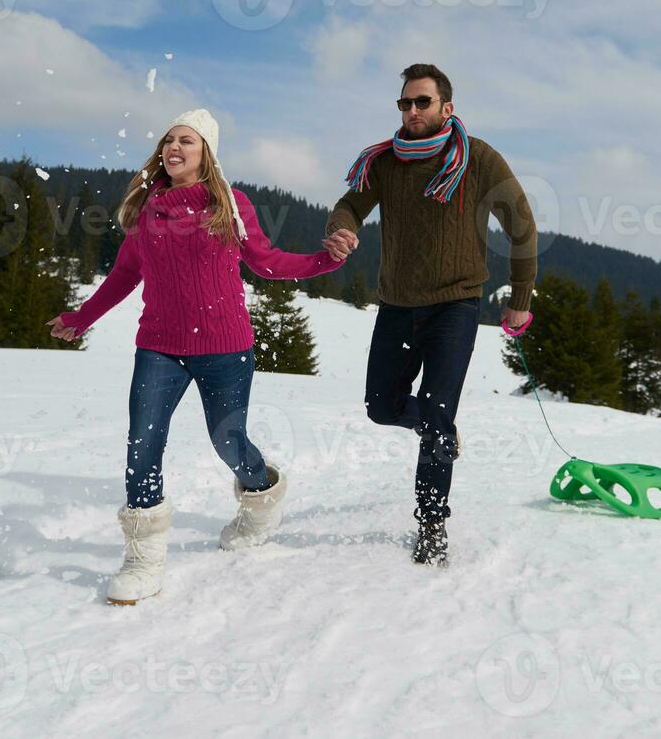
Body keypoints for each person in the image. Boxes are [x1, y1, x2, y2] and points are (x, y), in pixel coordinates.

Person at [48, 109, 345, 604]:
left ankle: (261, 491)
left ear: (207, 153)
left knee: (228, 440)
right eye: (169, 139)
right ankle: (143, 558)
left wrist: (325, 260)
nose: (174, 147)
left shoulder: (229, 205)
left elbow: (268, 263)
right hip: (160, 346)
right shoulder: (148, 210)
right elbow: (124, 276)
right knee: (142, 442)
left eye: (187, 139)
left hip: (225, 347)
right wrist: (82, 317)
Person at [322, 64, 537, 566]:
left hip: (455, 305)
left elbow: (521, 224)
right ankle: (436, 425)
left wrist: (521, 298)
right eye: (405, 103)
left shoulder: (478, 158)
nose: (412, 111)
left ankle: (432, 523)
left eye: (422, 102)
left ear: (447, 108)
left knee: (439, 413)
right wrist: (341, 228)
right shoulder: (385, 162)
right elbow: (349, 204)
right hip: (397, 304)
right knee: (381, 406)